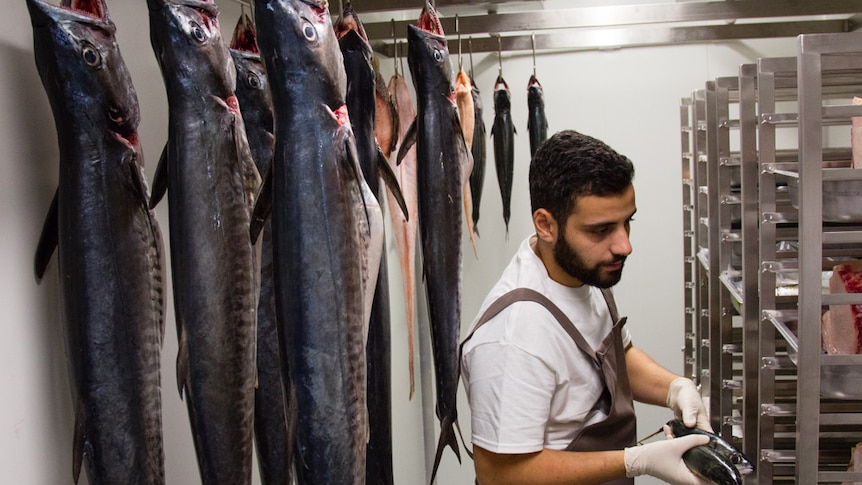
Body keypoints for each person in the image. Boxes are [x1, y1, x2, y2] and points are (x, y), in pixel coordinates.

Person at [460, 130, 714, 484]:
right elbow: (500, 474)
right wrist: (635, 461)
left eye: (628, 222)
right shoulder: (513, 336)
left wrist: (676, 388)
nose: (624, 246)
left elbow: (613, 357)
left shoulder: (583, 272)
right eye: (602, 230)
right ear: (546, 225)